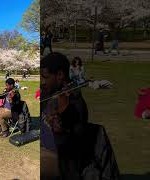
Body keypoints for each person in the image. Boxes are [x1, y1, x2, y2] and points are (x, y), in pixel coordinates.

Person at [41, 52, 119, 180]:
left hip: (63, 161)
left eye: (46, 77)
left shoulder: (76, 105)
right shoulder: (48, 92)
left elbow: (70, 148)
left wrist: (57, 125)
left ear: (60, 75)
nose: (43, 82)